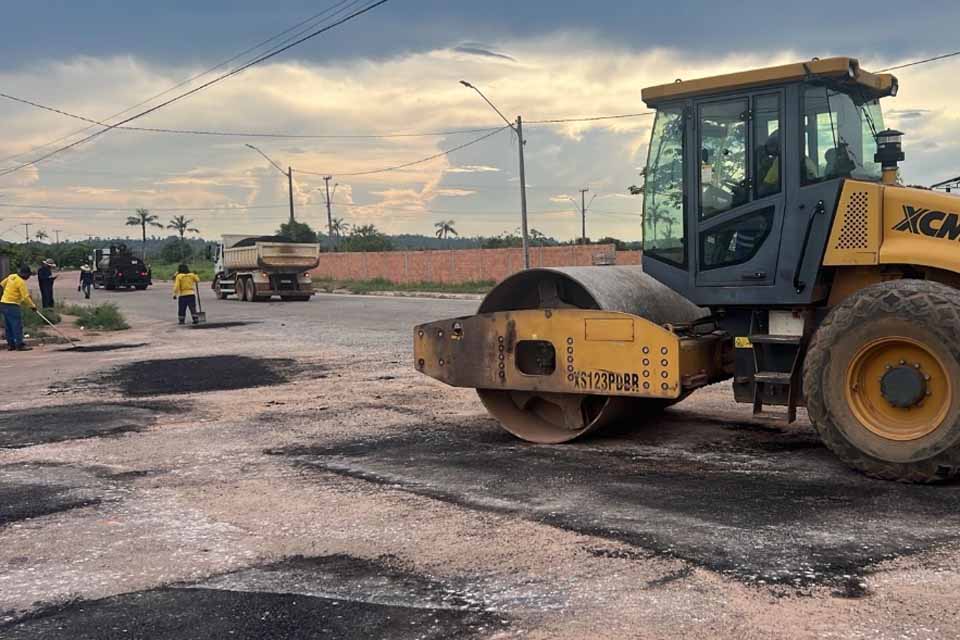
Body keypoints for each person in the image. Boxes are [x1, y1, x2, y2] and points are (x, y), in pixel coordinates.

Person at [0, 266, 37, 351]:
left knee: (8, 326)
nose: (28, 277)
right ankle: (20, 345)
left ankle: (11, 345)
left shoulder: (11, 276)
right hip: (12, 305)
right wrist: (32, 306)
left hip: (3, 303)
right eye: (28, 275)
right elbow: (25, 297)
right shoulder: (21, 282)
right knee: (17, 325)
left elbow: (1, 284)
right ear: (25, 274)